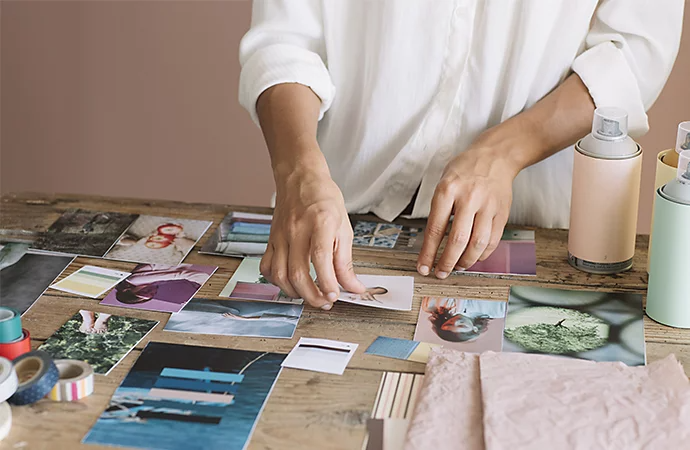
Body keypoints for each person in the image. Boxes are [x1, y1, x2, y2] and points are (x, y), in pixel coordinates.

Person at [239, 1, 683, 310]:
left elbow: (635, 50)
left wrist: (504, 152)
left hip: (526, 232)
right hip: (333, 215)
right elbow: (284, 41)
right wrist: (300, 170)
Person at [113, 264, 209, 305]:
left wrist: (204, 283)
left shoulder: (134, 280)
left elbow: (179, 274)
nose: (152, 290)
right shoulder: (146, 283)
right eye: (152, 293)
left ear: (127, 290)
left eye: (144, 291)